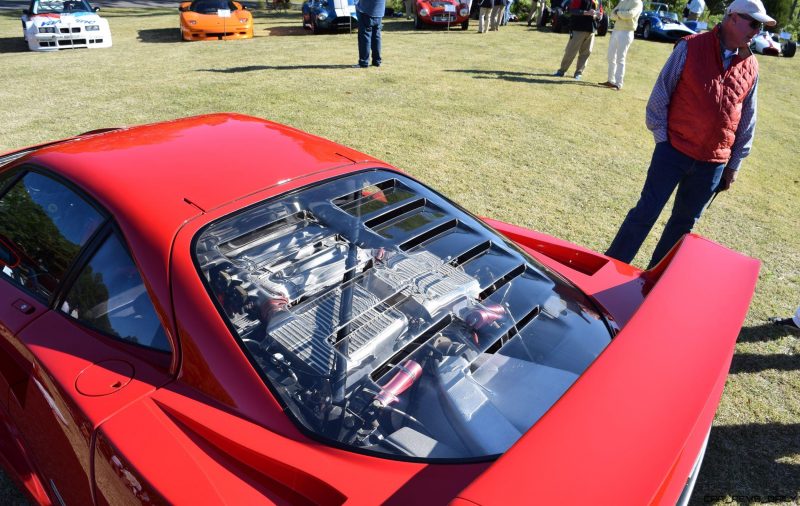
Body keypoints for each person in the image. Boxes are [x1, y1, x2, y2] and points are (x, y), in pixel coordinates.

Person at [605, 0, 774, 268]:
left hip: (713, 164)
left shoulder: (752, 65)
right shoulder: (690, 46)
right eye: (753, 23)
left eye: (761, 25)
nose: (757, 30)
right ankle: (608, 269)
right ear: (732, 18)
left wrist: (733, 164)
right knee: (645, 213)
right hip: (673, 150)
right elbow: (661, 94)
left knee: (683, 228)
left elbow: (747, 120)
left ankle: (653, 284)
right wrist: (664, 141)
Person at [553, 0, 604, 80]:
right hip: (578, 28)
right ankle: (561, 71)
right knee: (570, 51)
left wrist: (599, 16)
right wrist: (586, 12)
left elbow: (600, 13)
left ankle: (578, 73)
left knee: (586, 53)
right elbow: (572, 10)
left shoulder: (598, 0)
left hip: (591, 30)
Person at [598, 0, 642, 90]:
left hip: (627, 32)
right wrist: (620, 14)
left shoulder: (637, 2)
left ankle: (618, 83)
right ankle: (611, 80)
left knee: (620, 58)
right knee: (610, 56)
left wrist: (618, 13)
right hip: (616, 31)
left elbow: (630, 15)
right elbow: (612, 15)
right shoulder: (622, 1)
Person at [356, 0, 385, 68]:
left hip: (367, 11)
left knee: (365, 37)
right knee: (376, 37)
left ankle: (364, 62)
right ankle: (376, 61)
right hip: (379, 11)